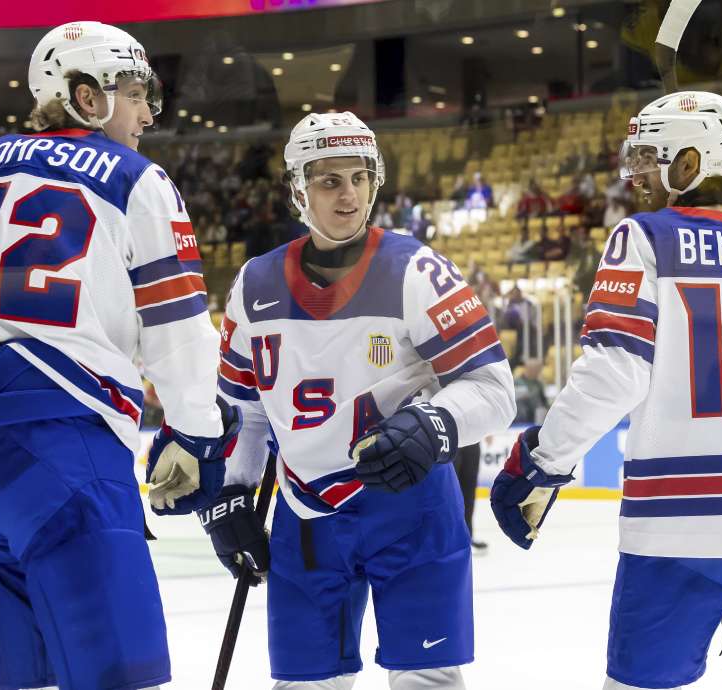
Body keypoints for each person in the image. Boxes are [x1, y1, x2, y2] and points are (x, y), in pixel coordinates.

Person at [0, 21, 235, 690]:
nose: (150, 114)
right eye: (137, 93)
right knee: (121, 680)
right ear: (86, 96)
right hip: (67, 464)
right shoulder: (136, 179)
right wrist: (196, 432)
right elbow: (179, 324)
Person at [490, 91, 722, 690]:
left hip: (678, 522)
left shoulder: (645, 237)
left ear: (690, 164)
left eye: (650, 156)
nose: (637, 173)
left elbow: (615, 373)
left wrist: (544, 460)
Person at [203, 112, 517, 689]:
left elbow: (495, 390)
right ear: (298, 188)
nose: (348, 195)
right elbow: (242, 411)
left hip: (411, 506)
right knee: (304, 684)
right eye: (329, 180)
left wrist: (433, 424)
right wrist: (229, 494)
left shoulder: (417, 270)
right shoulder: (253, 284)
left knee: (427, 681)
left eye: (359, 177)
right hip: (305, 516)